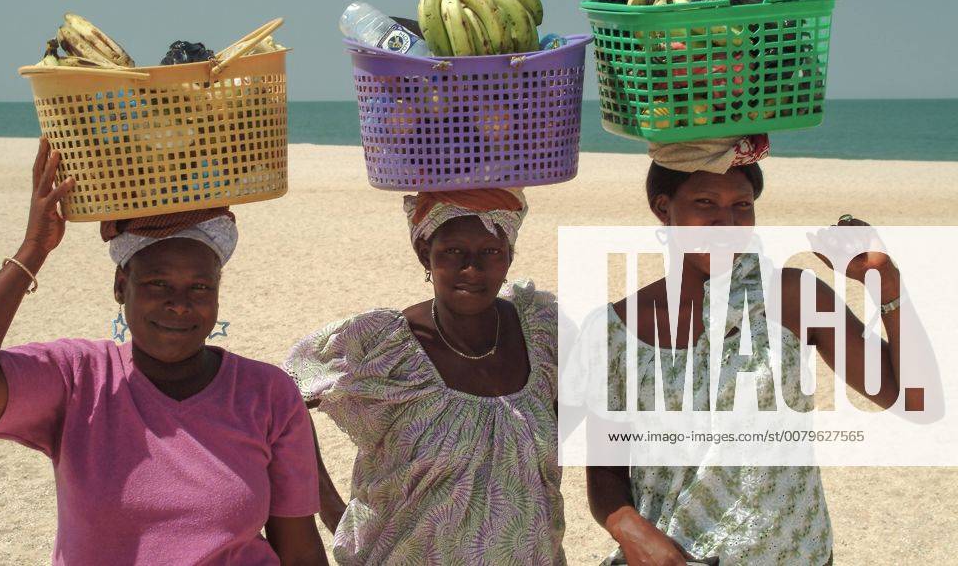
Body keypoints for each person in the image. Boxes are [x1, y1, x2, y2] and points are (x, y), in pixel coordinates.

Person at [0, 139, 327, 566]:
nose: (180, 303)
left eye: (200, 287)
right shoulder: (78, 379)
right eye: (158, 284)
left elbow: (299, 547)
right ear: (120, 286)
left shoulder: (266, 392)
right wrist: (33, 249)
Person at [585, 142, 909, 566]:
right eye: (705, 203)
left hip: (795, 554)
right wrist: (633, 532)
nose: (727, 223)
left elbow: (903, 394)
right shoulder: (614, 330)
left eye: (742, 205)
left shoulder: (791, 297)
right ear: (664, 209)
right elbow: (605, 475)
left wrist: (885, 282)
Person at [284, 188, 566, 565]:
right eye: (452, 251)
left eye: (490, 251)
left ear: (509, 256)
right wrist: (333, 510)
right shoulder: (384, 347)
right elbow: (285, 397)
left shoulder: (542, 333)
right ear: (424, 254)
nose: (472, 269)